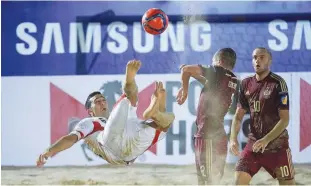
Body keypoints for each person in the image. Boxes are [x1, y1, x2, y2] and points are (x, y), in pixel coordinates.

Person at [36, 60, 175, 167]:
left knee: (165, 125)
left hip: (131, 147)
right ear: (90, 112)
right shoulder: (89, 122)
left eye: (103, 100)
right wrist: (50, 150)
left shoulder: (121, 114)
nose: (102, 102)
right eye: (97, 101)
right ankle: (130, 81)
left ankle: (154, 112)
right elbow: (70, 139)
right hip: (110, 143)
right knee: (127, 99)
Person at [229, 47, 295, 185]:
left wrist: (266, 140)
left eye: (262, 57)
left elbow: (285, 120)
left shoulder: (278, 83)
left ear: (269, 60)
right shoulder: (246, 84)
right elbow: (238, 116)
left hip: (277, 146)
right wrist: (233, 138)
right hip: (254, 144)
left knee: (288, 184)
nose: (257, 60)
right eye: (254, 57)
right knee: (238, 180)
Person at [176, 48, 238, 184]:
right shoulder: (232, 79)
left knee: (208, 181)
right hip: (216, 136)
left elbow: (186, 70)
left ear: (219, 62)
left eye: (213, 63)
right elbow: (206, 82)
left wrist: (185, 90)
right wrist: (190, 74)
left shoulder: (218, 71)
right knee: (208, 181)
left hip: (208, 136)